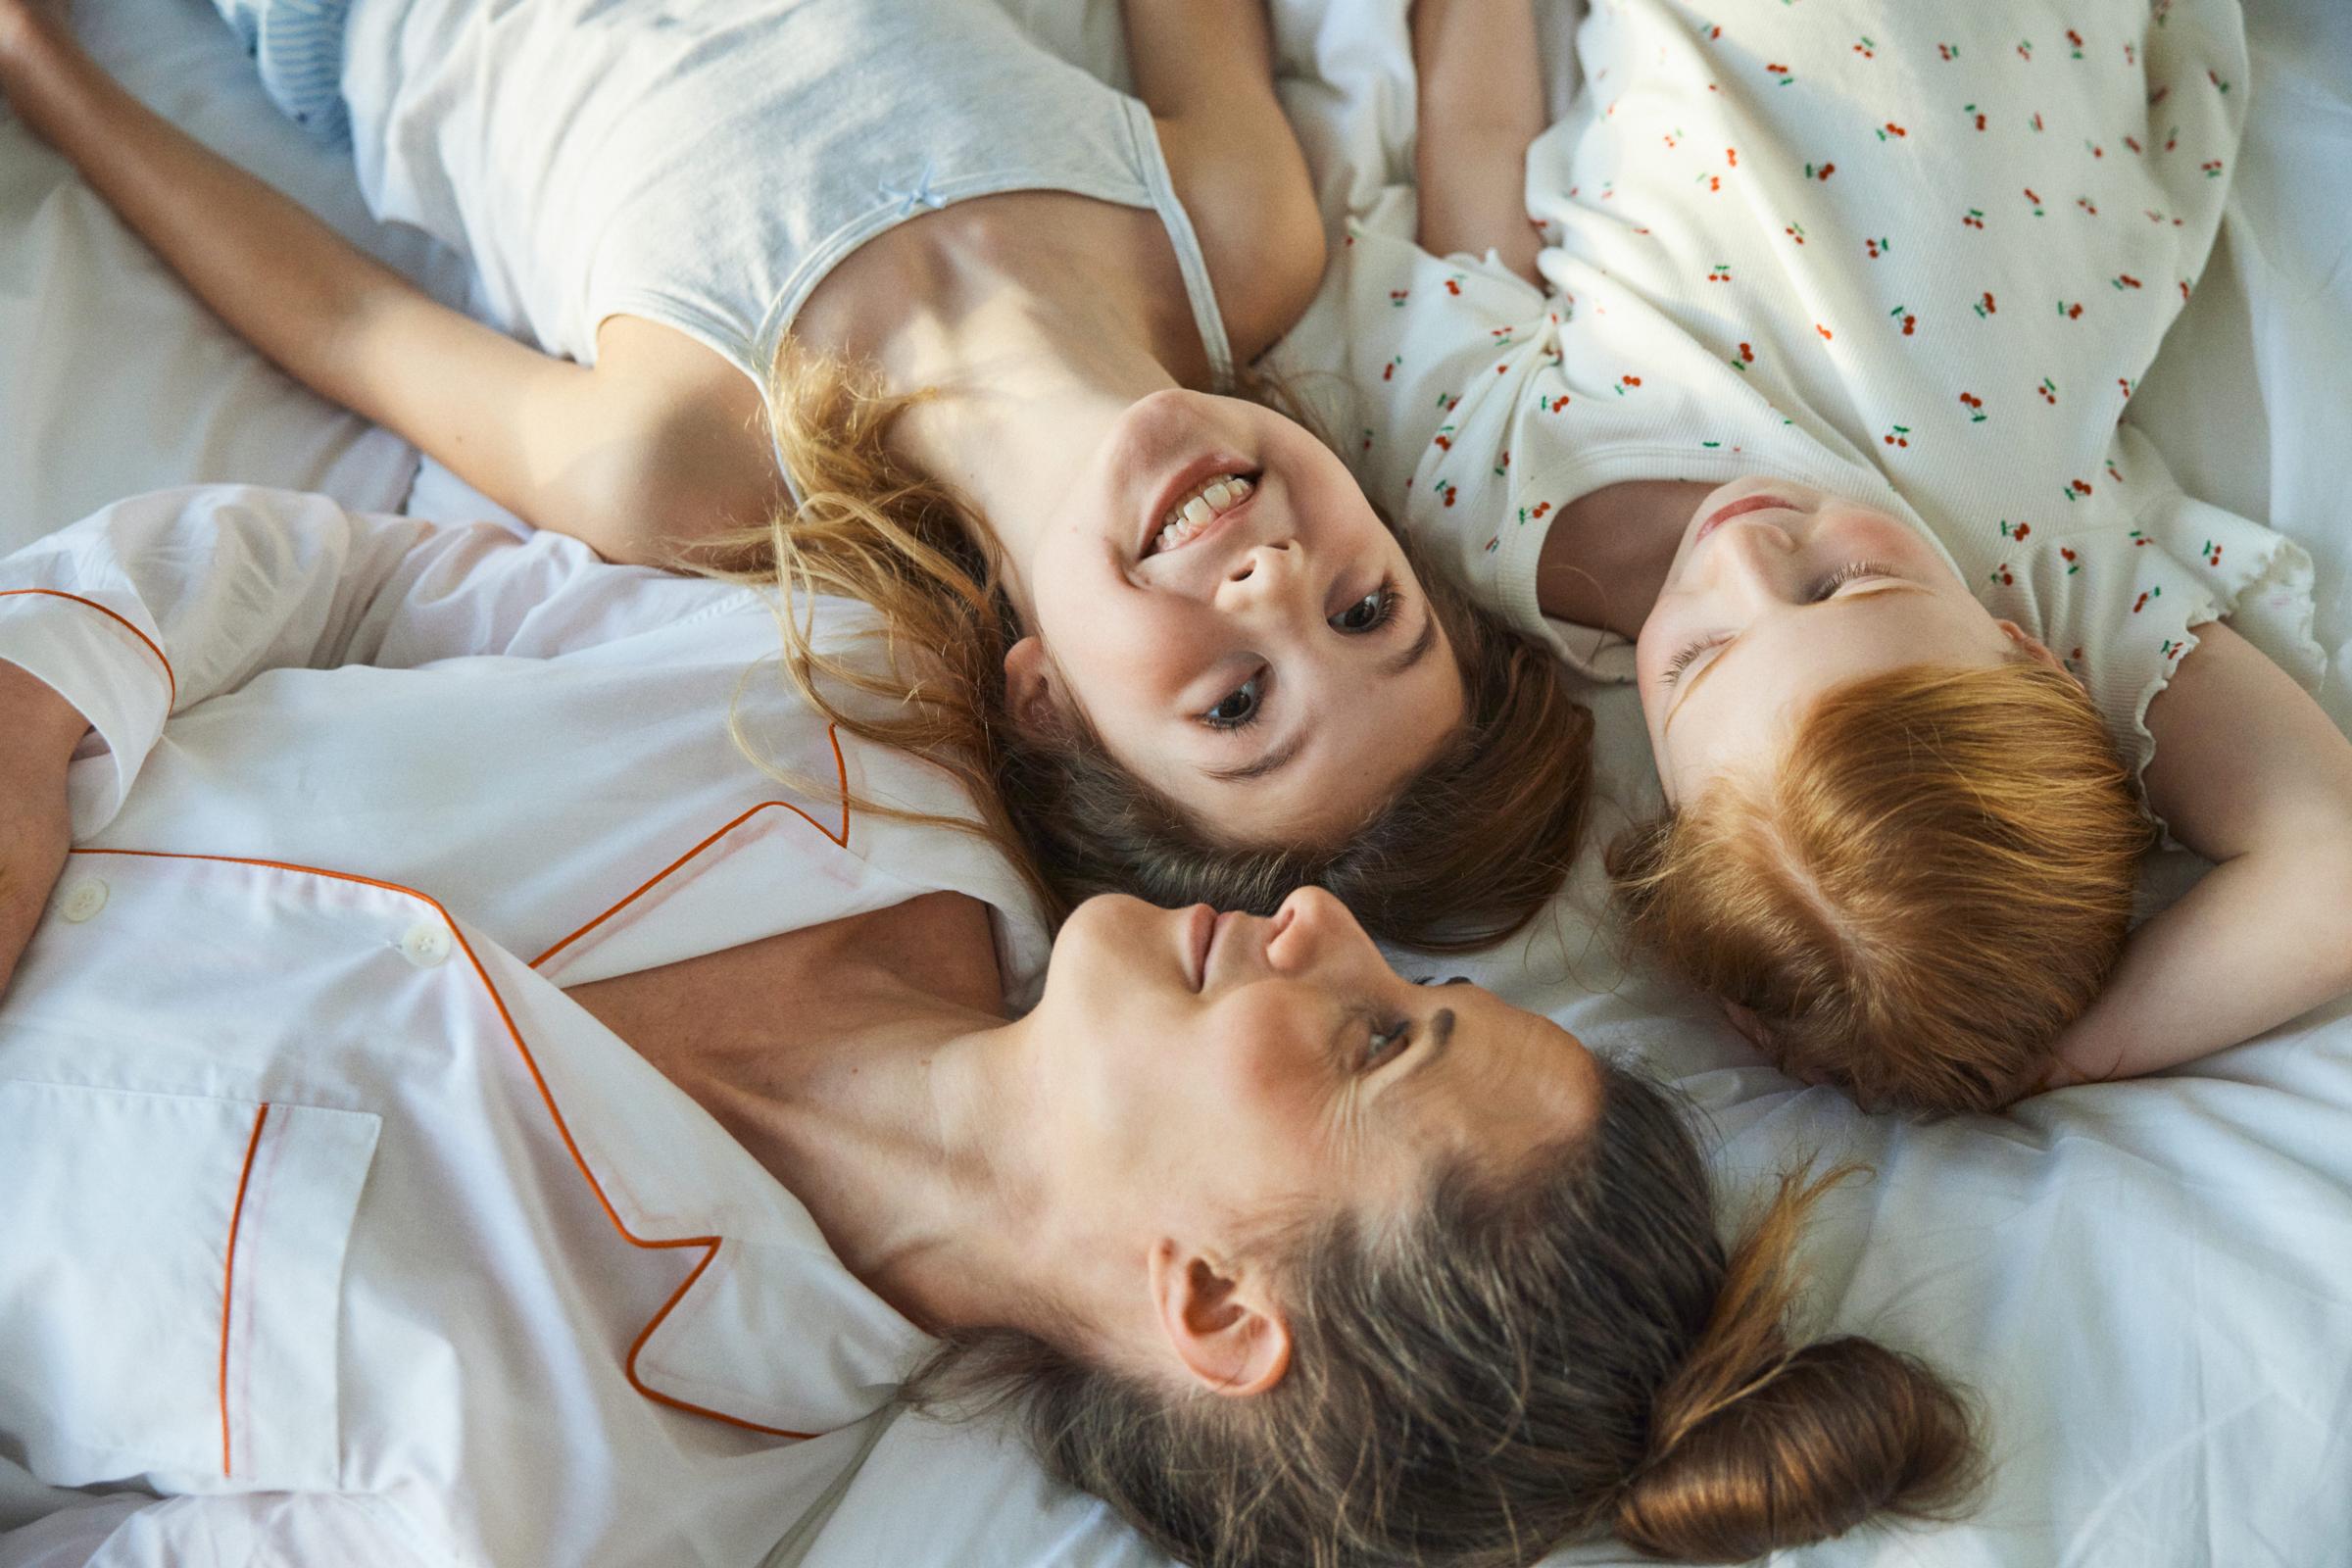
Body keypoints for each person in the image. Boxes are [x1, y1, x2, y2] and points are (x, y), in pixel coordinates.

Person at [0, 485, 1975, 1568]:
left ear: (1211, 1304)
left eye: (1374, 1043)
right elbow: (350, 570)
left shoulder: (544, 1502)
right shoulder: (873, 728)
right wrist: (34, 710)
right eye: (1414, 980)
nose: (1316, 922)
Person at [0, 0, 1592, 949]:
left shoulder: (695, 466)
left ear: (1048, 706)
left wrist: (45, 73)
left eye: (1235, 705)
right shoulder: (1238, 232)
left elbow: (344, 316)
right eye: (1370, 609)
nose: (1273, 589)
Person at [1332, 0, 2352, 1108]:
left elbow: (1478, 139)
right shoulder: (2038, 564)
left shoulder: (1509, 504)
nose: (1744, 552)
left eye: (1699, 657)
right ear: (2029, 656)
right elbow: (2327, 866)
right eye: (1846, 582)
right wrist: (2064, 1056)